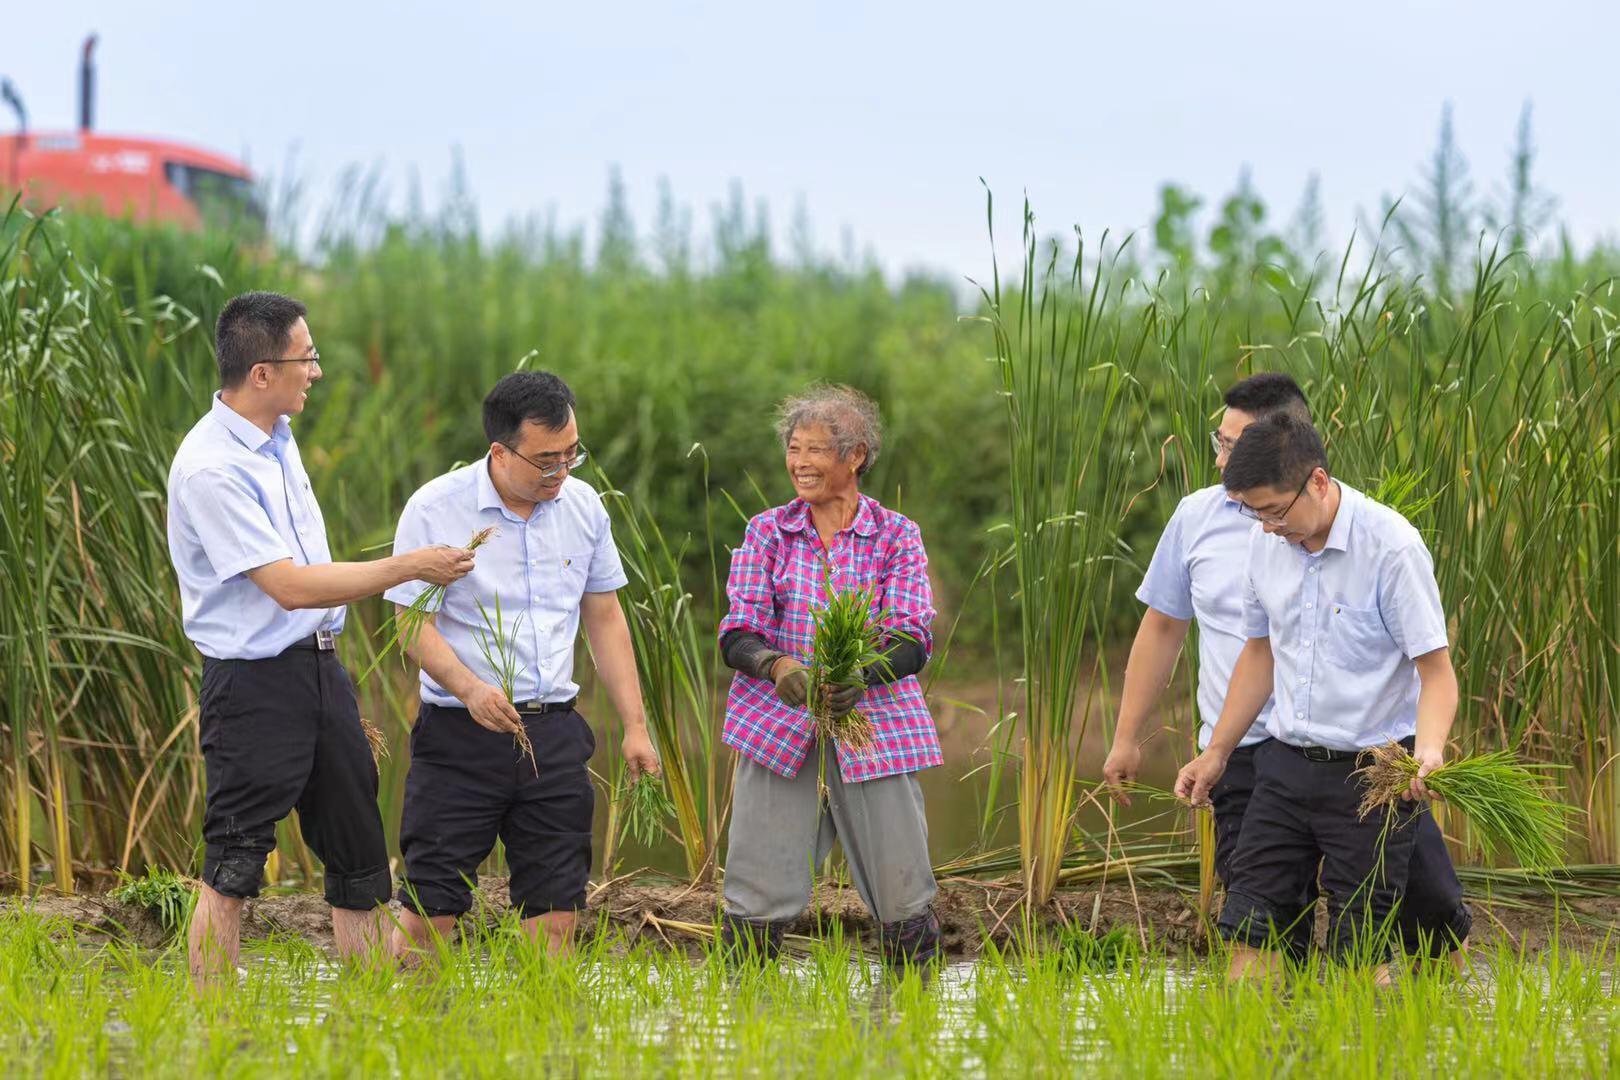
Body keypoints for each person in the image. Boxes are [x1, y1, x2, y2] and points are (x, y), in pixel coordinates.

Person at [167, 291, 475, 984]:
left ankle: (366, 1009)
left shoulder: (278, 437)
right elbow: (289, 585)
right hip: (251, 685)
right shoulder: (212, 468)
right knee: (234, 860)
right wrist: (408, 566)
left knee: (358, 847)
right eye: (306, 358)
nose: (317, 370)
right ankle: (213, 1024)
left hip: (318, 671)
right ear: (261, 374)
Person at [1174, 414, 1472, 981]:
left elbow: (1436, 673)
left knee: (1363, 960)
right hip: (1282, 769)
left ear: (1316, 480)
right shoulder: (1267, 543)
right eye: (1253, 513)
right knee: (1250, 936)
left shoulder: (1391, 548)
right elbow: (1258, 655)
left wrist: (1428, 751)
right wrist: (1216, 752)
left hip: (1373, 776)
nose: (1265, 527)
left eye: (1273, 511)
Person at [385, 371, 659, 960]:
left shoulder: (583, 507)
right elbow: (408, 623)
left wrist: (635, 725)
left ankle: (542, 1044)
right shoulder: (436, 507)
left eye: (571, 454)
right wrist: (470, 688)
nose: (561, 472)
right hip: (460, 735)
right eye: (545, 460)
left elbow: (605, 616)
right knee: (430, 912)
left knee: (557, 911)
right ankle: (404, 1040)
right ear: (499, 452)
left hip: (554, 733)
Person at [716, 384, 942, 969]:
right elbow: (737, 630)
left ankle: (907, 1019)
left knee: (903, 891)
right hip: (776, 719)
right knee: (755, 891)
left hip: (875, 724)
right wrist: (774, 664)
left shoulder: (897, 534)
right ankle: (749, 1029)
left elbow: (913, 637)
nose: (800, 464)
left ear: (856, 455)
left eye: (815, 450)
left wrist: (860, 676)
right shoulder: (768, 531)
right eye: (794, 449)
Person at [1103, 373, 1318, 956]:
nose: (1222, 459)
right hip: (1237, 753)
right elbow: (1164, 626)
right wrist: (1127, 737)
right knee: (1258, 918)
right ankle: (1266, 1037)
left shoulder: (1330, 520)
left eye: (1235, 446)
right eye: (1218, 443)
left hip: (1328, 750)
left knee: (1366, 923)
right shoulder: (1196, 516)